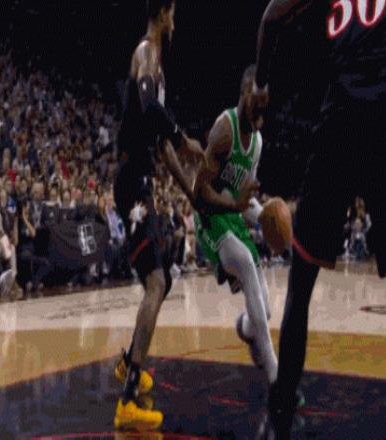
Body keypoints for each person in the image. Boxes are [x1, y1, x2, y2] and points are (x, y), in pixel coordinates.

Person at [250, 0, 386, 435]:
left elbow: (270, 16)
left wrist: (260, 83)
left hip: (341, 119)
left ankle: (281, 410)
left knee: (301, 282)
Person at [112, 0, 206, 430]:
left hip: (142, 180)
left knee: (162, 279)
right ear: (164, 13)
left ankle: (128, 362)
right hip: (132, 182)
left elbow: (164, 146)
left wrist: (192, 193)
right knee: (156, 281)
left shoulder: (156, 65)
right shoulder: (146, 51)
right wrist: (185, 137)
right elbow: (153, 113)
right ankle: (127, 400)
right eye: (174, 11)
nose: (176, 19)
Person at [193, 65, 277, 386]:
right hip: (209, 217)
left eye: (266, 107)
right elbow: (198, 193)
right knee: (244, 262)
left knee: (263, 314)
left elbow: (245, 201)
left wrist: (266, 216)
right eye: (257, 104)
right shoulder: (224, 130)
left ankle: (244, 328)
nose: (261, 114)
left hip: (231, 217)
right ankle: (275, 372)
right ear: (244, 94)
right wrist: (236, 206)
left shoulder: (257, 143)